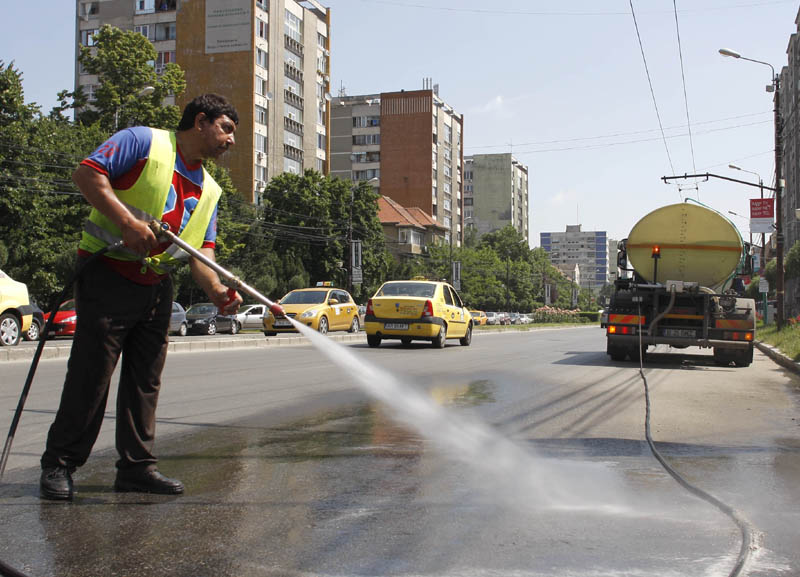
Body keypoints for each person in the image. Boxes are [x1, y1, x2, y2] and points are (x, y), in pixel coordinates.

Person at [39, 93, 243, 500]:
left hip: (156, 286)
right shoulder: (142, 142)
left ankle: (136, 468)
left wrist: (218, 290)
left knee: (145, 381)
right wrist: (127, 223)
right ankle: (59, 463)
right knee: (92, 375)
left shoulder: (211, 190)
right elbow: (87, 174)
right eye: (226, 129)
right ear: (200, 121)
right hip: (107, 273)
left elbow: (200, 252)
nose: (231, 141)